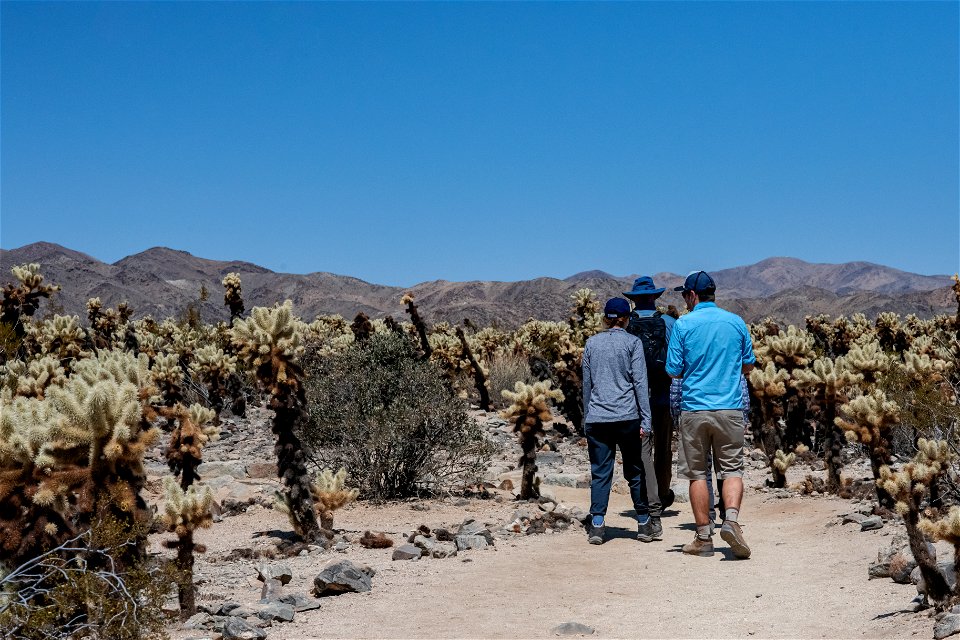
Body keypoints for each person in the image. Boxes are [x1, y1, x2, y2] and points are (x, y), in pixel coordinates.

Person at [665, 271, 756, 558]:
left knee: (697, 475)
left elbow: (674, 370)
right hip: (730, 408)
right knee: (731, 469)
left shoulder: (683, 324)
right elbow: (749, 365)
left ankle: (704, 538)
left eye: (684, 295)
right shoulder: (736, 322)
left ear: (692, 295)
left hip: (694, 409)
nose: (684, 300)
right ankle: (731, 521)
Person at [582, 297, 658, 544]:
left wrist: (587, 416)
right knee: (634, 470)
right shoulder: (632, 343)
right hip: (627, 416)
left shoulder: (591, 343)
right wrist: (646, 420)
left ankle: (596, 525)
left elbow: (587, 384)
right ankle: (644, 524)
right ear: (626, 319)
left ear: (606, 317)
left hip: (598, 417)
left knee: (600, 472)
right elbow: (639, 383)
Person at [624, 275, 676, 513]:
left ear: (633, 300)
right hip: (663, 394)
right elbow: (676, 360)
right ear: (655, 297)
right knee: (664, 447)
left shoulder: (625, 326)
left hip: (634, 397)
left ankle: (643, 494)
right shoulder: (669, 323)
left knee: (639, 447)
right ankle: (663, 494)